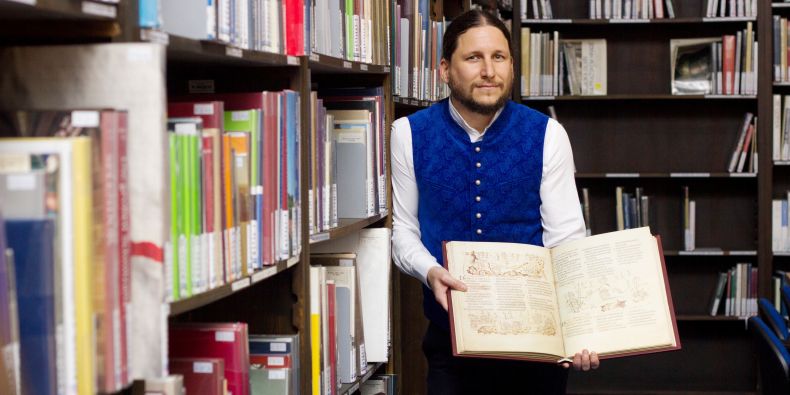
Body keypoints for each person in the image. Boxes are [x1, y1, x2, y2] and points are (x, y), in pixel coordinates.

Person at [390, 9, 600, 395]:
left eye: (499, 57)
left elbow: (566, 240)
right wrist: (430, 271)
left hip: (538, 348)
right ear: (444, 70)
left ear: (511, 66)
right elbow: (403, 232)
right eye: (473, 58)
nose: (489, 70)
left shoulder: (548, 135)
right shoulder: (407, 134)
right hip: (450, 344)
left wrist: (579, 328)